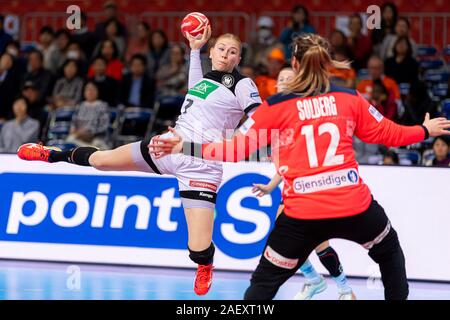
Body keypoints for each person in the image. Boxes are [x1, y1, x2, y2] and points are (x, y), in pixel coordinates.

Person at [149, 34, 450, 300]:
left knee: (263, 285)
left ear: (293, 63)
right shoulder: (349, 97)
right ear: (327, 64)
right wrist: (424, 130)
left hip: (302, 215)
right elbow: (389, 134)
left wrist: (183, 146)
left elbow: (233, 150)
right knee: (390, 254)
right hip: (354, 207)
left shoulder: (276, 107)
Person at [17, 27, 262, 297]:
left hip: (201, 164)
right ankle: (51, 154)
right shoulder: (205, 79)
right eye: (221, 49)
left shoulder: (242, 84)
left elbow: (260, 118)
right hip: (167, 147)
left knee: (198, 249)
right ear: (212, 52)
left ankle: (205, 266)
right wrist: (194, 49)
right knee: (101, 160)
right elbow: (195, 87)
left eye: (233, 52)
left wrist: (237, 140)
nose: (226, 55)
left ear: (239, 58)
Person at [252, 67, 355, 300]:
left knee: (319, 243)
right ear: (276, 85)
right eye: (281, 79)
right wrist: (270, 185)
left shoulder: (305, 113)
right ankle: (313, 280)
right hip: (291, 189)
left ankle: (345, 289)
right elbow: (285, 163)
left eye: (291, 78)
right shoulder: (275, 116)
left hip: (314, 187)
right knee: (282, 241)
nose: (285, 82)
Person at [65, 81, 110, 150]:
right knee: (70, 139)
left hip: (96, 138)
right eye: (88, 89)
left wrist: (89, 133)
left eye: (93, 89)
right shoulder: (80, 106)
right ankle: (86, 150)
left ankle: (89, 150)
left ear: (97, 91)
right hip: (79, 138)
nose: (90, 92)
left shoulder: (103, 106)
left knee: (97, 144)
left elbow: (104, 126)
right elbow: (73, 123)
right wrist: (74, 130)